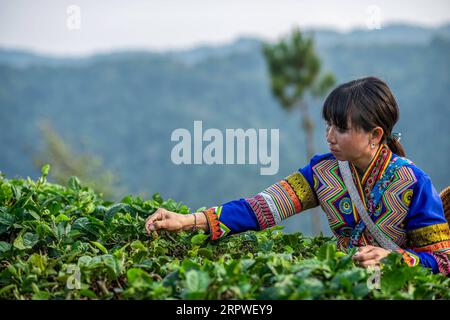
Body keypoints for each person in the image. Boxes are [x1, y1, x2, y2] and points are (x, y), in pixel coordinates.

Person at [145, 76, 450, 276]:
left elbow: (442, 261)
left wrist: (393, 259)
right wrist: (187, 221)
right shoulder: (323, 172)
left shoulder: (414, 184)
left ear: (375, 134)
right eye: (327, 125)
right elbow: (262, 208)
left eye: (341, 128)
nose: (329, 136)